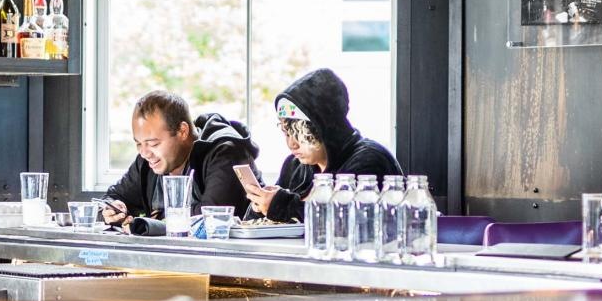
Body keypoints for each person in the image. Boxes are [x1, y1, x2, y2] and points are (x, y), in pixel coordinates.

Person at [245, 69, 401, 222]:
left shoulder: (369, 161)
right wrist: (260, 207)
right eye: (286, 132)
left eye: (301, 134)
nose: (292, 144)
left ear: (324, 127)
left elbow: (347, 222)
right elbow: (257, 226)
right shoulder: (295, 167)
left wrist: (282, 206)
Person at [100, 90, 259, 228]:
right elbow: (114, 197)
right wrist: (112, 209)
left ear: (183, 131)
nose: (144, 153)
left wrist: (152, 221)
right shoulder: (148, 161)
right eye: (138, 144)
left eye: (153, 143)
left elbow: (211, 216)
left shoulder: (226, 153)